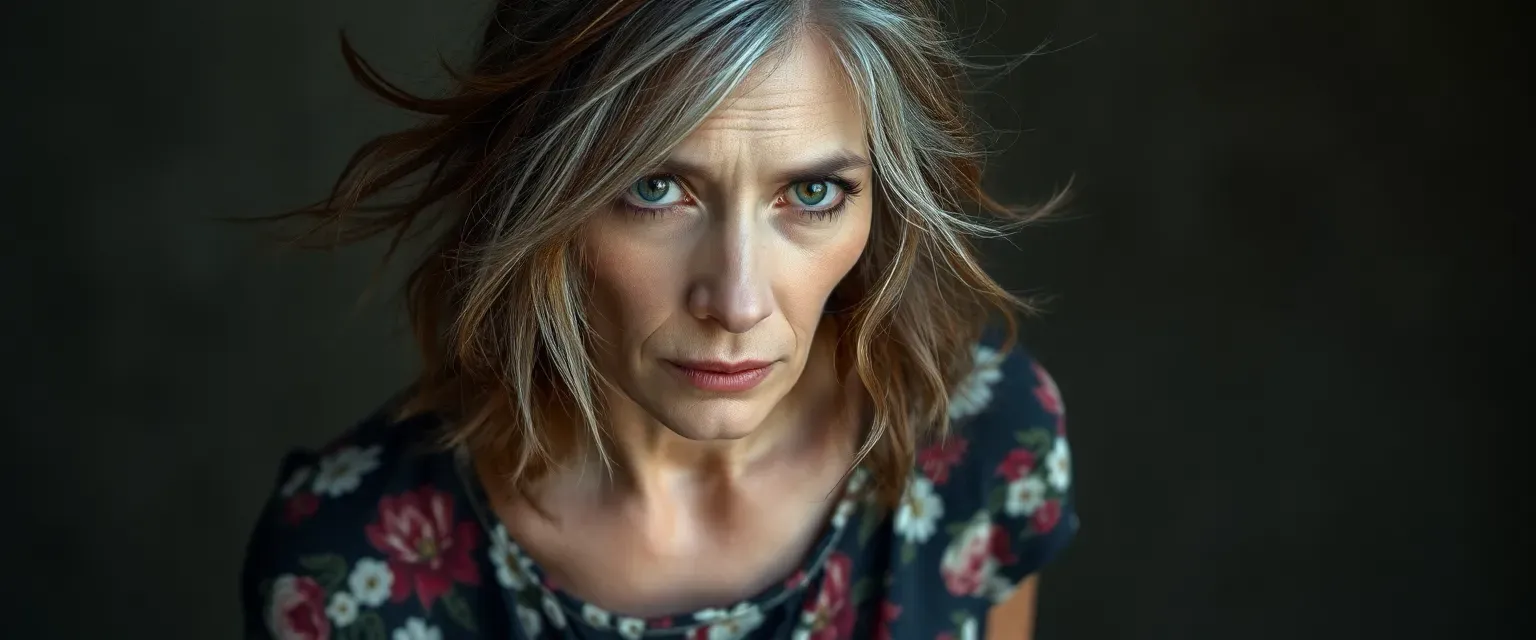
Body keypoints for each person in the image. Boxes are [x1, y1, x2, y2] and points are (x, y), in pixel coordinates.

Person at [241, 1, 1078, 638]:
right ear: (537, 193)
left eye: (813, 193)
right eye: (655, 189)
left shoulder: (980, 446)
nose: (739, 302)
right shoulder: (348, 563)